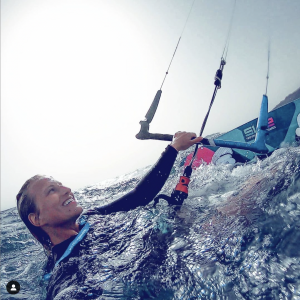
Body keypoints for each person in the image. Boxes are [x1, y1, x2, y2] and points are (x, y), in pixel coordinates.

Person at [16, 131, 202, 299]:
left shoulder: (92, 216)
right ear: (36, 219)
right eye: (52, 190)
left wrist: (174, 147)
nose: (67, 189)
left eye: (61, 184)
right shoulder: (64, 270)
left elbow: (139, 196)